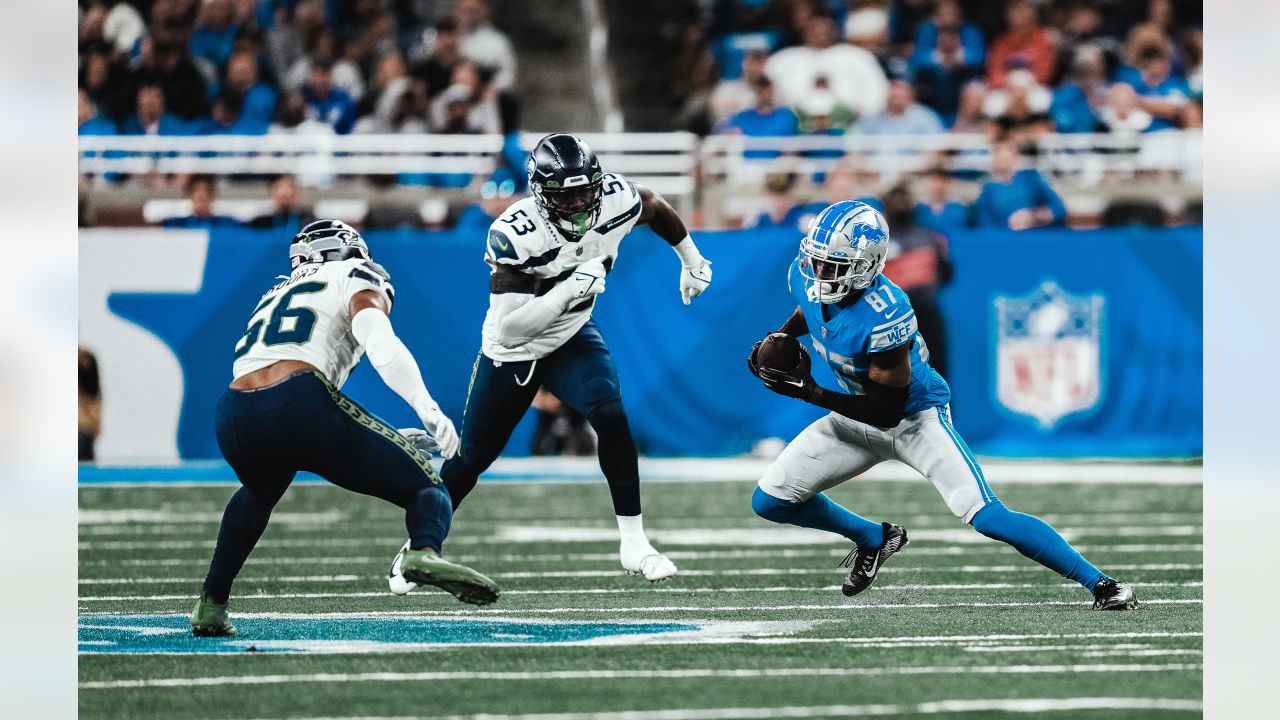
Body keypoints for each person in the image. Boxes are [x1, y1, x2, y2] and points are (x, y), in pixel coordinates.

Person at [744, 200, 1138, 611]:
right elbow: (811, 307)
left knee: (985, 515)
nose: (820, 275)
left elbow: (887, 412)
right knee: (771, 500)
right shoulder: (807, 276)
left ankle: (1102, 583)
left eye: (834, 266)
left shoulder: (886, 315)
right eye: (818, 261)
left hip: (914, 421)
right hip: (854, 414)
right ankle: (874, 538)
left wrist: (811, 393)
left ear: (867, 265)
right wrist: (781, 337)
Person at [415, 134, 713, 584]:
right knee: (472, 458)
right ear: (540, 193)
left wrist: (691, 260)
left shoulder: (615, 198)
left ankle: (634, 541)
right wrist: (569, 289)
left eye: (584, 191)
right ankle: (417, 549)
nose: (578, 204)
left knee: (609, 412)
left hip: (571, 334)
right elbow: (511, 329)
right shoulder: (516, 232)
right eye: (565, 195)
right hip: (512, 350)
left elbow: (652, 206)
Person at [190, 220, 498, 637]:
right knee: (429, 487)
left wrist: (383, 437)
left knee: (260, 491)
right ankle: (422, 552)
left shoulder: (274, 292)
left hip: (234, 414)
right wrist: (425, 405)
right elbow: (377, 341)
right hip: (300, 405)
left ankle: (211, 603)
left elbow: (299, 394)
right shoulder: (355, 274)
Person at [881, 183, 952, 378]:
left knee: (934, 373)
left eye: (903, 199)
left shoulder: (928, 238)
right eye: (895, 200)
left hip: (926, 315)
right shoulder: (877, 241)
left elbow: (946, 274)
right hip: (889, 319)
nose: (899, 204)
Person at [972, 135, 1066, 230]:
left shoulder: (1031, 178)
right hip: (1005, 240)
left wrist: (1034, 216)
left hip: (1035, 237)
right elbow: (984, 225)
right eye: (997, 151)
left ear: (1015, 154)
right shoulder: (988, 189)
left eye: (1007, 150)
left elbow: (1059, 209)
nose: (1002, 156)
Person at [860, 79, 945, 135]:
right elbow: (856, 145)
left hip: (916, 162)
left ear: (909, 97)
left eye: (900, 97)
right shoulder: (872, 119)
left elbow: (936, 147)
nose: (897, 102)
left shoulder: (925, 117)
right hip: (877, 161)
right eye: (893, 98)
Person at [162, 175, 242, 230]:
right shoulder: (178, 224)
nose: (202, 194)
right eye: (198, 195)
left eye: (206, 192)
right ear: (189, 195)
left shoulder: (227, 223)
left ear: (213, 196)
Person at [249, 175, 315, 234]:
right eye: (280, 187)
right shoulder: (260, 222)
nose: (286, 192)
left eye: (291, 187)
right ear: (273, 192)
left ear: (297, 193)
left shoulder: (308, 220)